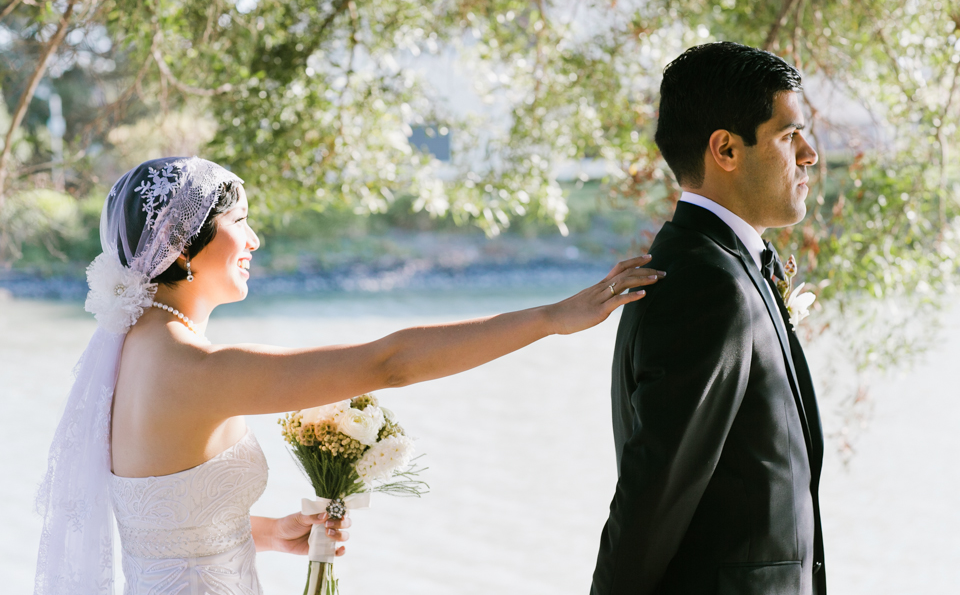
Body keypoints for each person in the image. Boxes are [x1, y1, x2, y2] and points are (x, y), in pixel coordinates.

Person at [34, 156, 664, 595]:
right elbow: (387, 363)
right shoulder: (197, 367)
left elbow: (155, 521)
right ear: (180, 247)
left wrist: (269, 531)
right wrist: (553, 316)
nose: (253, 239)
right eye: (239, 223)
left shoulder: (129, 351)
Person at [590, 42, 826, 595]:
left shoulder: (727, 264)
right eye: (789, 135)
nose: (810, 154)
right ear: (725, 149)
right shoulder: (706, 284)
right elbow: (654, 498)